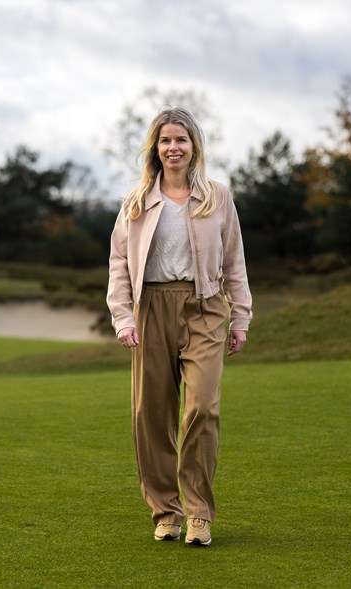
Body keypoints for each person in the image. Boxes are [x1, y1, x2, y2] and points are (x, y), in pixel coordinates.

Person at [106, 107, 253, 546]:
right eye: (166, 140)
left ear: (194, 147)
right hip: (150, 307)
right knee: (152, 415)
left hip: (205, 308)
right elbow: (118, 264)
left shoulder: (217, 197)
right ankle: (165, 512)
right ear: (155, 148)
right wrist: (123, 316)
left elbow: (234, 262)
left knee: (202, 407)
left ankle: (199, 514)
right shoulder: (135, 201)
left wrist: (240, 316)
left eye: (181, 140)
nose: (174, 147)